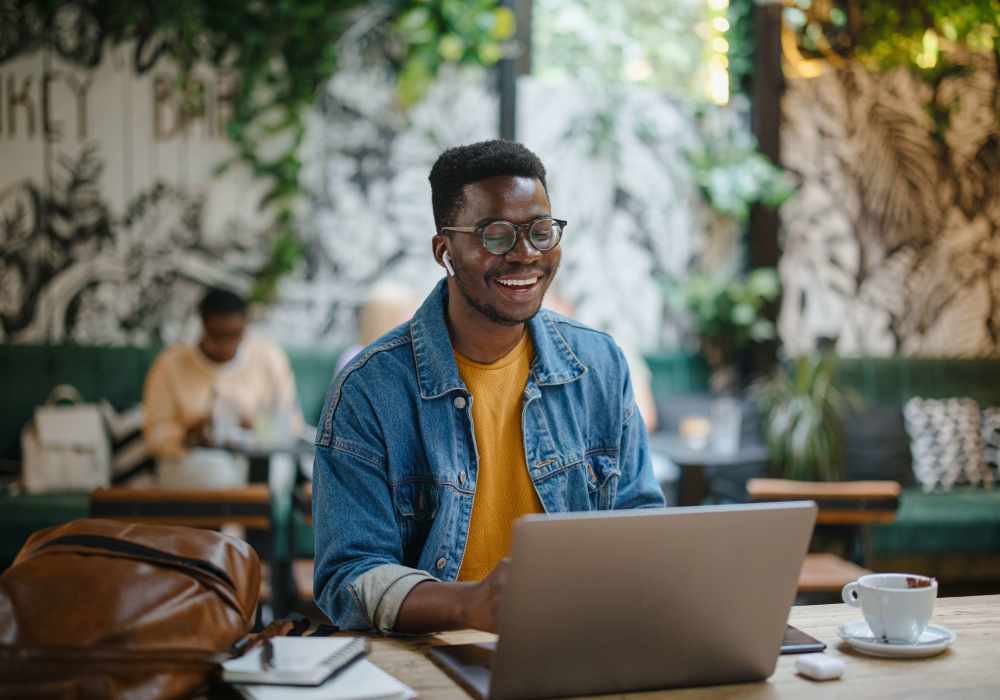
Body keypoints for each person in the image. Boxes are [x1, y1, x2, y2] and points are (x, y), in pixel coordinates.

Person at [312, 140, 664, 635]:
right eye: (495, 235)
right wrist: (469, 605)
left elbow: (639, 522)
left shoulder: (599, 364)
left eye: (541, 232)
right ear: (444, 250)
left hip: (577, 638)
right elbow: (348, 576)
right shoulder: (369, 390)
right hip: (433, 652)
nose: (525, 255)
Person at [143, 287, 302, 488]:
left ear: (246, 327)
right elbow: (154, 434)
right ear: (203, 325)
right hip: (195, 461)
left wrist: (253, 424)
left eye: (235, 334)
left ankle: (249, 512)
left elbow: (292, 425)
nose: (227, 343)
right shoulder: (170, 364)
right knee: (214, 472)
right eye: (218, 334)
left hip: (257, 454)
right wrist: (190, 434)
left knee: (275, 468)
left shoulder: (270, 358)